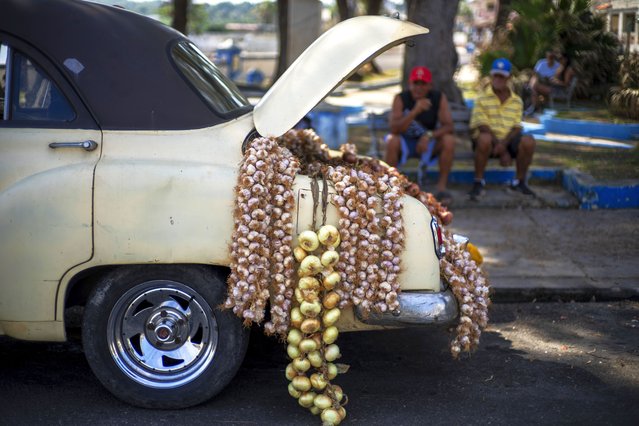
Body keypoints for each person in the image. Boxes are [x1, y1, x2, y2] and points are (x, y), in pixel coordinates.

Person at [384, 65, 456, 204]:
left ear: (430, 85)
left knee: (449, 140)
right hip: (406, 142)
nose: (419, 87)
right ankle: (390, 186)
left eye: (423, 83)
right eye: (415, 83)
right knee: (391, 140)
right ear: (410, 84)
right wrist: (415, 111)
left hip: (429, 143)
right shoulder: (401, 98)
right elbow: (394, 129)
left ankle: (441, 188)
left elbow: (449, 126)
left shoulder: (438, 98)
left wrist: (428, 136)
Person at [468, 58, 536, 200]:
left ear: (509, 78)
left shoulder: (516, 100)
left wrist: (503, 145)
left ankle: (519, 182)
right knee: (484, 138)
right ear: (491, 76)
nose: (498, 79)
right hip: (488, 140)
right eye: (495, 75)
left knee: (529, 141)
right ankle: (478, 182)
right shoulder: (481, 98)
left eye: (502, 76)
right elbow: (482, 125)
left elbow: (517, 127)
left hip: (508, 141)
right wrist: (501, 147)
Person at [526, 50, 560, 115]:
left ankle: (534, 107)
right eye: (549, 57)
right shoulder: (541, 63)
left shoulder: (557, 66)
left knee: (533, 89)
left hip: (550, 86)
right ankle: (535, 107)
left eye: (552, 57)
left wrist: (549, 80)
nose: (550, 59)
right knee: (534, 80)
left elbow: (557, 79)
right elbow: (535, 73)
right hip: (539, 83)